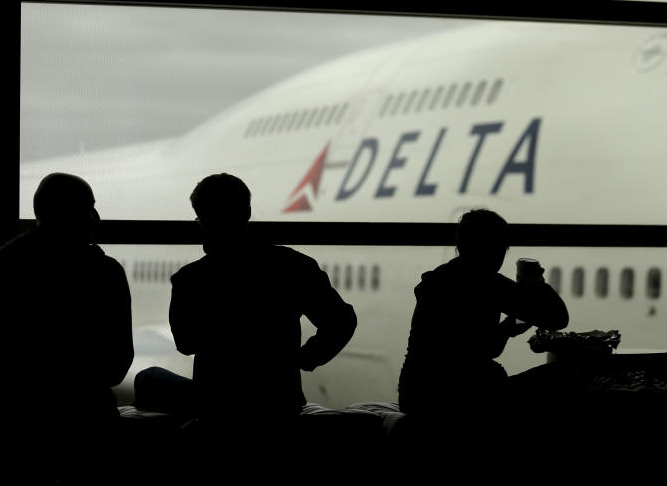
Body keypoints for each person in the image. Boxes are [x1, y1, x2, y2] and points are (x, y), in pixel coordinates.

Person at [136, 172, 356, 421]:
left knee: (148, 378)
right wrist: (304, 358)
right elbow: (342, 321)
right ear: (247, 212)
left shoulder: (190, 278)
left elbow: (185, 344)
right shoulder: (294, 265)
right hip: (280, 400)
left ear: (202, 221)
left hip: (217, 404)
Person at [0, 172, 133, 482]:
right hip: (89, 425)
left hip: (15, 428)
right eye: (89, 207)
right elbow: (117, 365)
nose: (95, 217)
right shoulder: (105, 273)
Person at [397, 208, 569, 416]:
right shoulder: (489, 284)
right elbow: (557, 318)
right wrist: (537, 282)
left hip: (416, 394)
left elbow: (466, 348)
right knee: (560, 376)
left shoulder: (440, 278)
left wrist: (504, 331)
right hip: (467, 394)